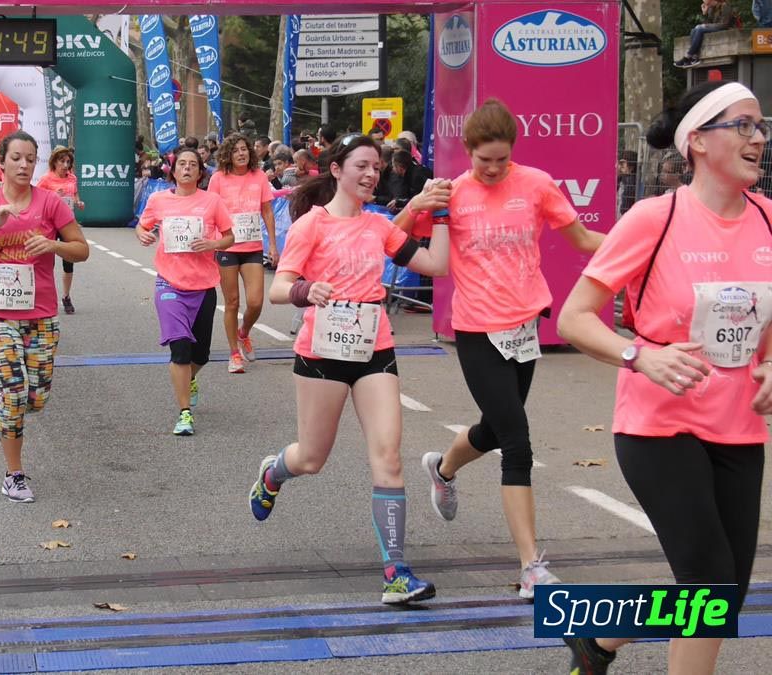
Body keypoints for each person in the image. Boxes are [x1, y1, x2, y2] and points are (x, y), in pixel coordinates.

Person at [557, 80, 772, 675]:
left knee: (723, 596)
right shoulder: (655, 218)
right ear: (697, 141)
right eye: (743, 125)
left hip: (739, 424)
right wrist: (639, 356)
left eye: (761, 126)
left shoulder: (769, 220)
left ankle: (599, 637)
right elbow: (574, 317)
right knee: (708, 579)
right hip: (658, 424)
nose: (758, 138)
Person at [396, 99, 604, 600]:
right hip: (475, 329)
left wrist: (645, 248)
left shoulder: (536, 184)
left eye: (502, 160)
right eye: (484, 159)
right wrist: (414, 206)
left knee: (494, 429)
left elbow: (580, 239)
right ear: (468, 151)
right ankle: (531, 567)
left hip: (524, 327)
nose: (492, 168)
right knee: (517, 442)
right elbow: (391, 239)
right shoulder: (452, 194)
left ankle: (442, 468)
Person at [247, 133, 450, 605]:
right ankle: (273, 474)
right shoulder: (311, 225)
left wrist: (439, 213)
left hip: (375, 350)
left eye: (376, 167)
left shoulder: (379, 226)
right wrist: (307, 290)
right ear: (337, 169)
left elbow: (436, 264)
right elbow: (280, 288)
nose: (371, 174)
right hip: (322, 353)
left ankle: (396, 573)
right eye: (362, 165)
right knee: (311, 458)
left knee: (389, 456)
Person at [0, 130, 89, 503]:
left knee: (36, 400)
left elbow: (81, 249)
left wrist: (53, 244)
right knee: (16, 392)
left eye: (30, 158)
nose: (24, 165)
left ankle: (10, 403)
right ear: (2, 163)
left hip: (40, 315)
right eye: (16, 158)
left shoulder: (51, 203)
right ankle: (14, 475)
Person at [136, 147, 235, 436]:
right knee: (179, 348)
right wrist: (143, 234)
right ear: (174, 170)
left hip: (203, 286)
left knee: (200, 355)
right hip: (169, 284)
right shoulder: (158, 200)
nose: (187, 168)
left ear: (200, 172)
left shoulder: (212, 201)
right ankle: (184, 413)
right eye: (182, 163)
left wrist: (213, 244)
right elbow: (142, 226)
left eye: (193, 164)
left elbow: (229, 237)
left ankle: (189, 378)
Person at [208, 134, 279, 373]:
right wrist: (211, 243)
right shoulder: (218, 178)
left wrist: (273, 245)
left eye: (244, 149)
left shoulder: (259, 176)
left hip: (252, 247)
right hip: (227, 247)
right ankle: (234, 354)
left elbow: (267, 211)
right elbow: (210, 212)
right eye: (236, 150)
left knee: (256, 302)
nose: (241, 154)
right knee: (232, 303)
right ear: (228, 155)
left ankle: (244, 332)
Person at [36, 146, 86, 314]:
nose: (65, 165)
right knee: (46, 262)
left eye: (68, 162)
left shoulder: (72, 178)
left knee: (69, 262)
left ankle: (66, 296)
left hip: (67, 223)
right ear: (54, 162)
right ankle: (44, 295)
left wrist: (78, 202)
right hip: (49, 224)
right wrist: (53, 196)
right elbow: (36, 200)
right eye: (62, 161)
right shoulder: (46, 179)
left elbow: (75, 195)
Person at [674, 0, 738, 68]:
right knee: (694, 30)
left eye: (705, 1)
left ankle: (688, 56)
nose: (704, 2)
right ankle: (694, 57)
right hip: (716, 28)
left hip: (726, 29)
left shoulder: (725, 6)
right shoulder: (711, 9)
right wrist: (705, 13)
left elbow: (724, 24)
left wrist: (705, 26)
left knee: (700, 29)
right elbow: (708, 22)